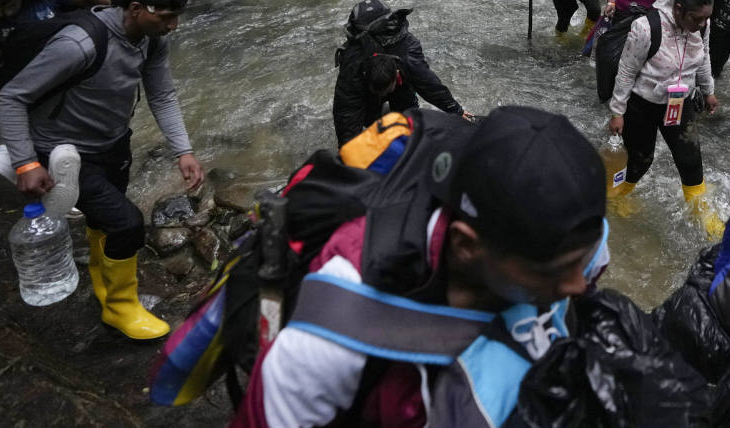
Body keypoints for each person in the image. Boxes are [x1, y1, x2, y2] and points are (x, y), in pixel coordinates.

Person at [232, 106, 608, 428]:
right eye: (554, 272)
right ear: (466, 246)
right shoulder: (331, 333)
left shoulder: (573, 245)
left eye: (584, 260)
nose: (579, 284)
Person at [0, 0, 204, 340]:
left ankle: (104, 286)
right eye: (167, 16)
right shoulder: (80, 43)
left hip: (113, 142)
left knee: (103, 222)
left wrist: (183, 151)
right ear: (137, 8)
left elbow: (161, 94)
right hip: (62, 151)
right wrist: (25, 162)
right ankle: (120, 309)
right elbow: (12, 97)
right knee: (127, 223)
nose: (173, 25)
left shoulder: (152, 39)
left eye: (177, 16)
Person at [605, 0, 723, 237]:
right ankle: (617, 197)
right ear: (679, 9)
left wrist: (708, 91)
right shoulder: (646, 28)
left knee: (691, 160)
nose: (702, 23)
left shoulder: (702, 25)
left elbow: (703, 57)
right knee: (640, 160)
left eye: (706, 18)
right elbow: (626, 71)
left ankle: (702, 214)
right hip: (642, 105)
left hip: (680, 103)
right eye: (697, 18)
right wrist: (617, 112)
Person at [331, 0, 471, 144]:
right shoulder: (353, 64)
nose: (384, 94)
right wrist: (348, 152)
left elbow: (429, 85)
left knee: (408, 119)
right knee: (369, 121)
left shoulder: (408, 56)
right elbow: (346, 111)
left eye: (386, 90)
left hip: (400, 81)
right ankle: (375, 107)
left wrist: (456, 111)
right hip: (368, 82)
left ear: (397, 73)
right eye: (380, 91)